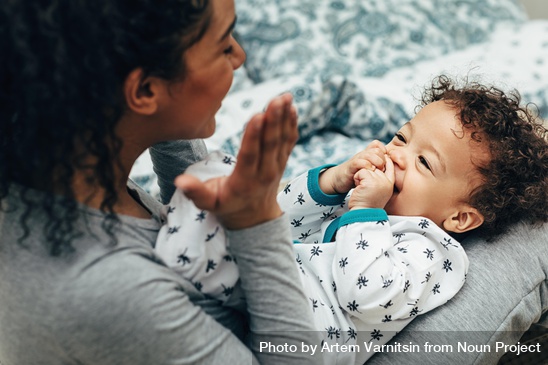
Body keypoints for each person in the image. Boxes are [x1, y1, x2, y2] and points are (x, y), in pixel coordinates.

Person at [0, 1, 326, 364]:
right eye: (223, 45)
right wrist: (258, 220)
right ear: (144, 92)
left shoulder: (59, 172)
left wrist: (168, 124)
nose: (240, 56)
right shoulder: (110, 288)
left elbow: (181, 244)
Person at [156, 75, 548, 364]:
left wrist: (364, 213)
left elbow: (369, 295)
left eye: (424, 162)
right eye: (401, 137)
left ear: (460, 218)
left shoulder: (433, 251)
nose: (398, 155)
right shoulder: (359, 203)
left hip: (300, 341)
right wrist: (331, 181)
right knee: (222, 195)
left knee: (208, 196)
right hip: (256, 300)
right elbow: (282, 220)